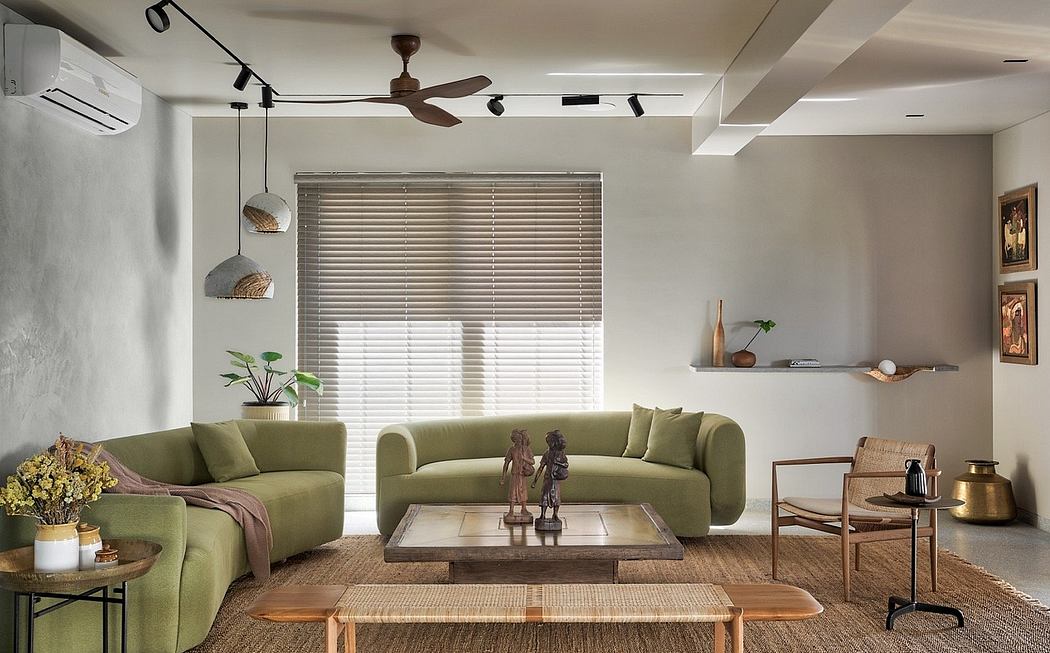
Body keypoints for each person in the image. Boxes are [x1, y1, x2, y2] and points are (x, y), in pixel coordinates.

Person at [532, 429, 569, 523]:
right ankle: (542, 515)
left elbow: (566, 464)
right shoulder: (547, 453)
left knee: (556, 498)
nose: (549, 444)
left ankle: (555, 514)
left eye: (550, 442)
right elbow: (541, 467)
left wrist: (558, 463)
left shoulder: (561, 454)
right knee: (544, 497)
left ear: (555, 442)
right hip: (547, 479)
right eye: (547, 442)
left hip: (555, 479)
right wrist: (535, 481)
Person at [499, 428, 535, 522]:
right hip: (515, 474)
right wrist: (503, 477)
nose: (519, 441)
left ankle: (524, 508)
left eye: (520, 439)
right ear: (514, 440)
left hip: (522, 474)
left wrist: (524, 459)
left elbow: (532, 461)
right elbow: (506, 463)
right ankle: (511, 510)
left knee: (523, 491)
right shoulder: (512, 449)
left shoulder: (527, 449)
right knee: (513, 492)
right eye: (516, 439)